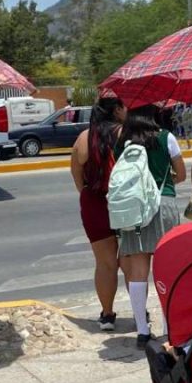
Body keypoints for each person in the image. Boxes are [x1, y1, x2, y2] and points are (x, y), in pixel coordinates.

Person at [117, 105, 186, 348]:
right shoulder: (166, 137)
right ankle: (169, 326)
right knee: (165, 267)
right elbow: (182, 174)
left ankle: (142, 331)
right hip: (163, 204)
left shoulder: (122, 141)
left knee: (138, 269)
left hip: (133, 209)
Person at [70, 97, 126, 332]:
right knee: (132, 261)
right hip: (126, 203)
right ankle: (139, 310)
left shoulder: (85, 137)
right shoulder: (127, 134)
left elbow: (76, 173)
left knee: (104, 263)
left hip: (95, 202)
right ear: (116, 110)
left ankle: (107, 314)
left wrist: (87, 193)